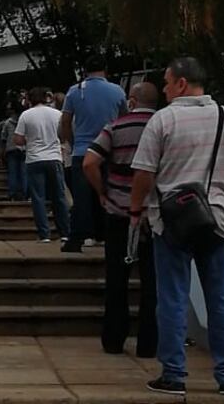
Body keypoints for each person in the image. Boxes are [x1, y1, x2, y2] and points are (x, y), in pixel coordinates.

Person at [130, 57, 224, 396]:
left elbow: (144, 173)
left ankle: (173, 374)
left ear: (182, 83)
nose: (165, 89)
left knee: (172, 297)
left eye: (167, 82)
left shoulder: (162, 120)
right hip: (219, 221)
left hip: (172, 222)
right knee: (222, 298)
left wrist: (135, 209)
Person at [83, 81, 160, 358]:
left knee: (117, 279)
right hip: (156, 216)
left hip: (119, 213)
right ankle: (149, 343)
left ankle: (114, 339)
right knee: (153, 282)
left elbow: (89, 163)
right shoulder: (164, 125)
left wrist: (103, 192)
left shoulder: (115, 127)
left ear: (132, 101)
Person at [60, 53, 127, 253]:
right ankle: (106, 234)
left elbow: (65, 122)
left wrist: (72, 142)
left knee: (82, 198)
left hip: (82, 150)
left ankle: (77, 238)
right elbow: (124, 119)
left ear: (85, 70)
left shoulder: (74, 91)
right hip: (109, 151)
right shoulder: (117, 90)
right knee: (108, 193)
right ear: (105, 69)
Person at [14, 86, 70, 242]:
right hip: (54, 157)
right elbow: (64, 135)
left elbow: (18, 139)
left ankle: (44, 234)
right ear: (46, 97)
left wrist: (29, 140)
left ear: (30, 100)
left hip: (34, 159)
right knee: (59, 196)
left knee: (38, 197)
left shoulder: (26, 115)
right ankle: (65, 232)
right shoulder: (57, 114)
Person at [0, 102, 27, 200]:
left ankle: (12, 194)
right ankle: (24, 193)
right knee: (24, 172)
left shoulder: (7, 123)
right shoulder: (25, 121)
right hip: (24, 149)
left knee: (12, 172)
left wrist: (0, 155)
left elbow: (3, 139)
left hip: (11, 149)